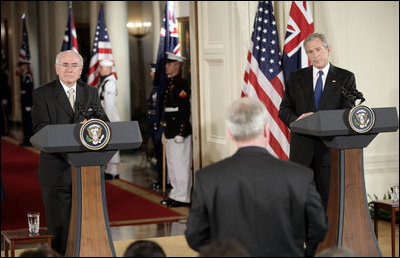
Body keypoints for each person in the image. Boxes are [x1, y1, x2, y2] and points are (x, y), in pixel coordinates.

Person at [185, 97, 328, 257]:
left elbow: (194, 236)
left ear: (230, 134)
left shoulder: (207, 178)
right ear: (266, 130)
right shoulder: (300, 176)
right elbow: (318, 228)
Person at [31, 50, 108, 255]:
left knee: (86, 227)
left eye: (74, 65)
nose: (69, 69)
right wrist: (77, 131)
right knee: (60, 230)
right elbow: (41, 131)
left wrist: (92, 125)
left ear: (81, 69)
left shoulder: (90, 92)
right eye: (64, 65)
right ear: (56, 68)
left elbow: (104, 125)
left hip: (86, 171)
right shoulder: (42, 94)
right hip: (56, 171)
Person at [278, 33, 357, 213]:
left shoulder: (345, 78)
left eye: (318, 50)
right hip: (302, 152)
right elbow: (284, 110)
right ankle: (304, 241)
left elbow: (347, 112)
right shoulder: (296, 77)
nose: (315, 55)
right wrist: (297, 120)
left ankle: (326, 241)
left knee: (329, 205)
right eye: (310, 52)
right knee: (301, 204)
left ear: (328, 50)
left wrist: (322, 120)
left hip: (329, 152)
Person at [160, 52, 192, 208]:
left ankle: (183, 196)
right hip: (170, 130)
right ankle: (176, 194)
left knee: (181, 164)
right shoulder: (170, 83)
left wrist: (181, 131)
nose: (166, 66)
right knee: (172, 164)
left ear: (177, 66)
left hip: (179, 131)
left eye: (169, 64)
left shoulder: (182, 84)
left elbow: (184, 110)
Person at [98, 59, 120, 180]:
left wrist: (106, 120)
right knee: (108, 144)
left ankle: (114, 171)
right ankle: (110, 169)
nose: (99, 70)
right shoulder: (106, 81)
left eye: (101, 67)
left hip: (110, 118)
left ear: (108, 68)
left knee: (112, 144)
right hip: (106, 117)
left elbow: (109, 105)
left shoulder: (110, 83)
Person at [17, 60, 34, 146]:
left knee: (28, 121)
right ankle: (26, 139)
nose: (20, 68)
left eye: (21, 66)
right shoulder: (24, 75)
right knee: (25, 121)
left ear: (25, 66)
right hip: (24, 101)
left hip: (27, 102)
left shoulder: (27, 76)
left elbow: (28, 91)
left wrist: (28, 104)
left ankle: (29, 140)